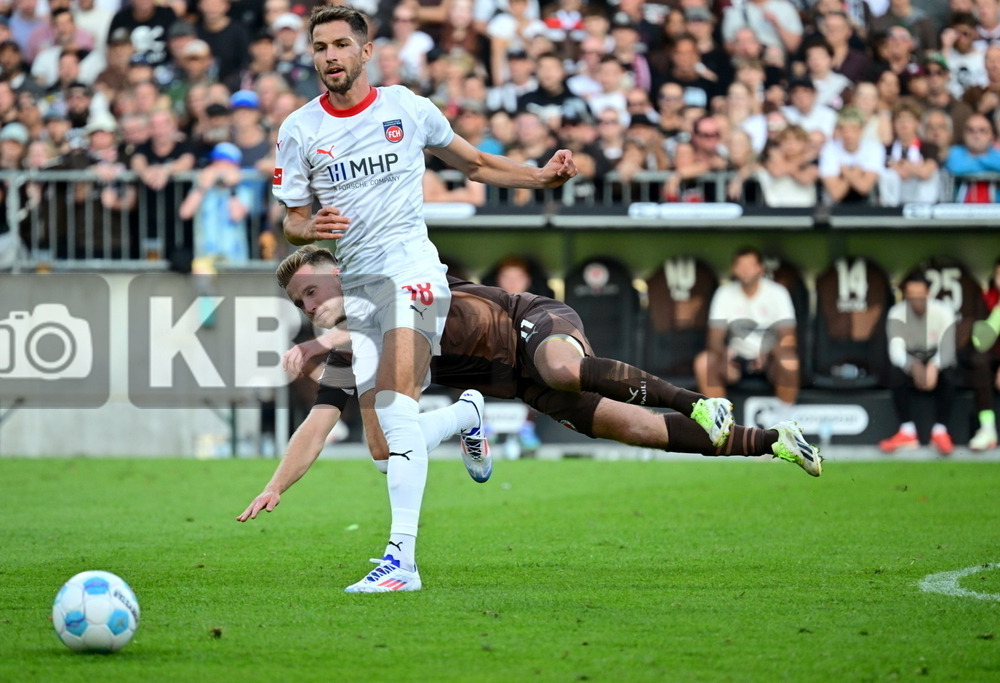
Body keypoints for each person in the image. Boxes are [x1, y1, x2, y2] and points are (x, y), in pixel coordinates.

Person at [270, 6, 578, 594]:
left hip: (413, 275)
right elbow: (293, 222)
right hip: (358, 289)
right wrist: (311, 230)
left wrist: (540, 178)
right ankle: (468, 415)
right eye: (319, 47)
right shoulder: (298, 130)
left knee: (394, 410)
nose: (329, 56)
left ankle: (401, 563)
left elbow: (477, 163)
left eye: (340, 45)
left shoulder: (405, 108)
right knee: (385, 447)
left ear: (366, 52)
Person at [236, 245, 821, 531]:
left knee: (564, 369)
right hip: (514, 382)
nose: (308, 307)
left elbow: (375, 310)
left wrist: (318, 344)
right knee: (636, 429)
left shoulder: (389, 271)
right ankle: (774, 441)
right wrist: (275, 485)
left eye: (311, 292)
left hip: (530, 322)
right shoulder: (353, 348)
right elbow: (316, 424)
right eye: (299, 304)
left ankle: (700, 401)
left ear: (338, 272)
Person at [694, 247, 801, 424]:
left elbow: (789, 337)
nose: (745, 270)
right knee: (703, 362)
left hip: (770, 358)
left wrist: (769, 353)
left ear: (760, 268)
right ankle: (723, 425)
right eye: (740, 265)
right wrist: (724, 355)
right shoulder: (725, 293)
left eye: (750, 265)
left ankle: (784, 424)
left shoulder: (777, 293)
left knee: (790, 361)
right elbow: (714, 338)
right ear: (733, 269)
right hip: (737, 358)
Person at [879, 271, 958, 455]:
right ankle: (907, 431)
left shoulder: (943, 312)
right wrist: (913, 366)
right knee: (894, 372)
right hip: (911, 360)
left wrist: (934, 366)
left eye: (920, 296)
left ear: (928, 294)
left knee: (951, 374)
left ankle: (940, 431)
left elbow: (948, 349)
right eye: (911, 297)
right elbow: (896, 351)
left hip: (935, 360)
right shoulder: (896, 313)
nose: (916, 301)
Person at [968, 258, 1000, 451]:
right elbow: (980, 341)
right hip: (992, 357)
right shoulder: (986, 299)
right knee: (978, 360)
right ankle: (987, 429)